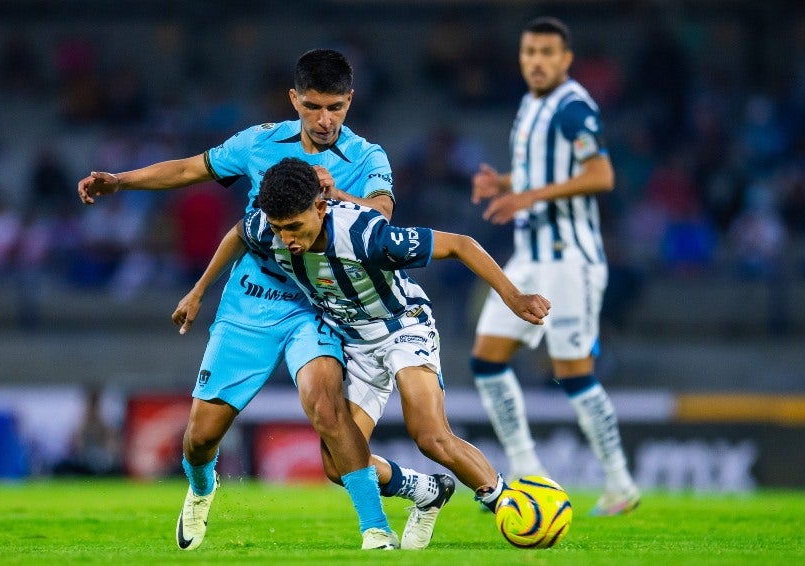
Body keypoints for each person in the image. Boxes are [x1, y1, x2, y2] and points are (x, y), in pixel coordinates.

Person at [78, 49, 452, 551]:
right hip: (251, 301)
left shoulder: (367, 157)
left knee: (326, 407)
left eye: (336, 107)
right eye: (314, 106)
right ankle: (201, 488)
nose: (325, 120)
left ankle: (375, 529)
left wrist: (336, 195)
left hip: (318, 304)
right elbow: (192, 169)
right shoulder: (259, 143)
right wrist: (121, 181)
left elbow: (382, 215)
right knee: (200, 438)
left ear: (350, 102)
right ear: (294, 99)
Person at [173, 157, 552, 538]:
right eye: (278, 228)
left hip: (402, 328)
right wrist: (199, 290)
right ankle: (426, 491)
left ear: (320, 207)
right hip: (352, 342)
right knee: (339, 466)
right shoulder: (268, 227)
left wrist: (513, 297)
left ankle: (510, 503)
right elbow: (240, 233)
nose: (286, 239)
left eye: (294, 227)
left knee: (430, 436)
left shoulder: (366, 235)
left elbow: (461, 245)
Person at [468, 17, 640, 516]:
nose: (537, 61)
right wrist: (504, 183)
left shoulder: (573, 107)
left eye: (547, 52)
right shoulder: (531, 104)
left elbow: (600, 174)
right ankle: (528, 475)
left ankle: (620, 482)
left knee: (573, 372)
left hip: (571, 260)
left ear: (566, 59)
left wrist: (529, 196)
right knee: (486, 361)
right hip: (530, 258)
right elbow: (539, 171)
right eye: (529, 52)